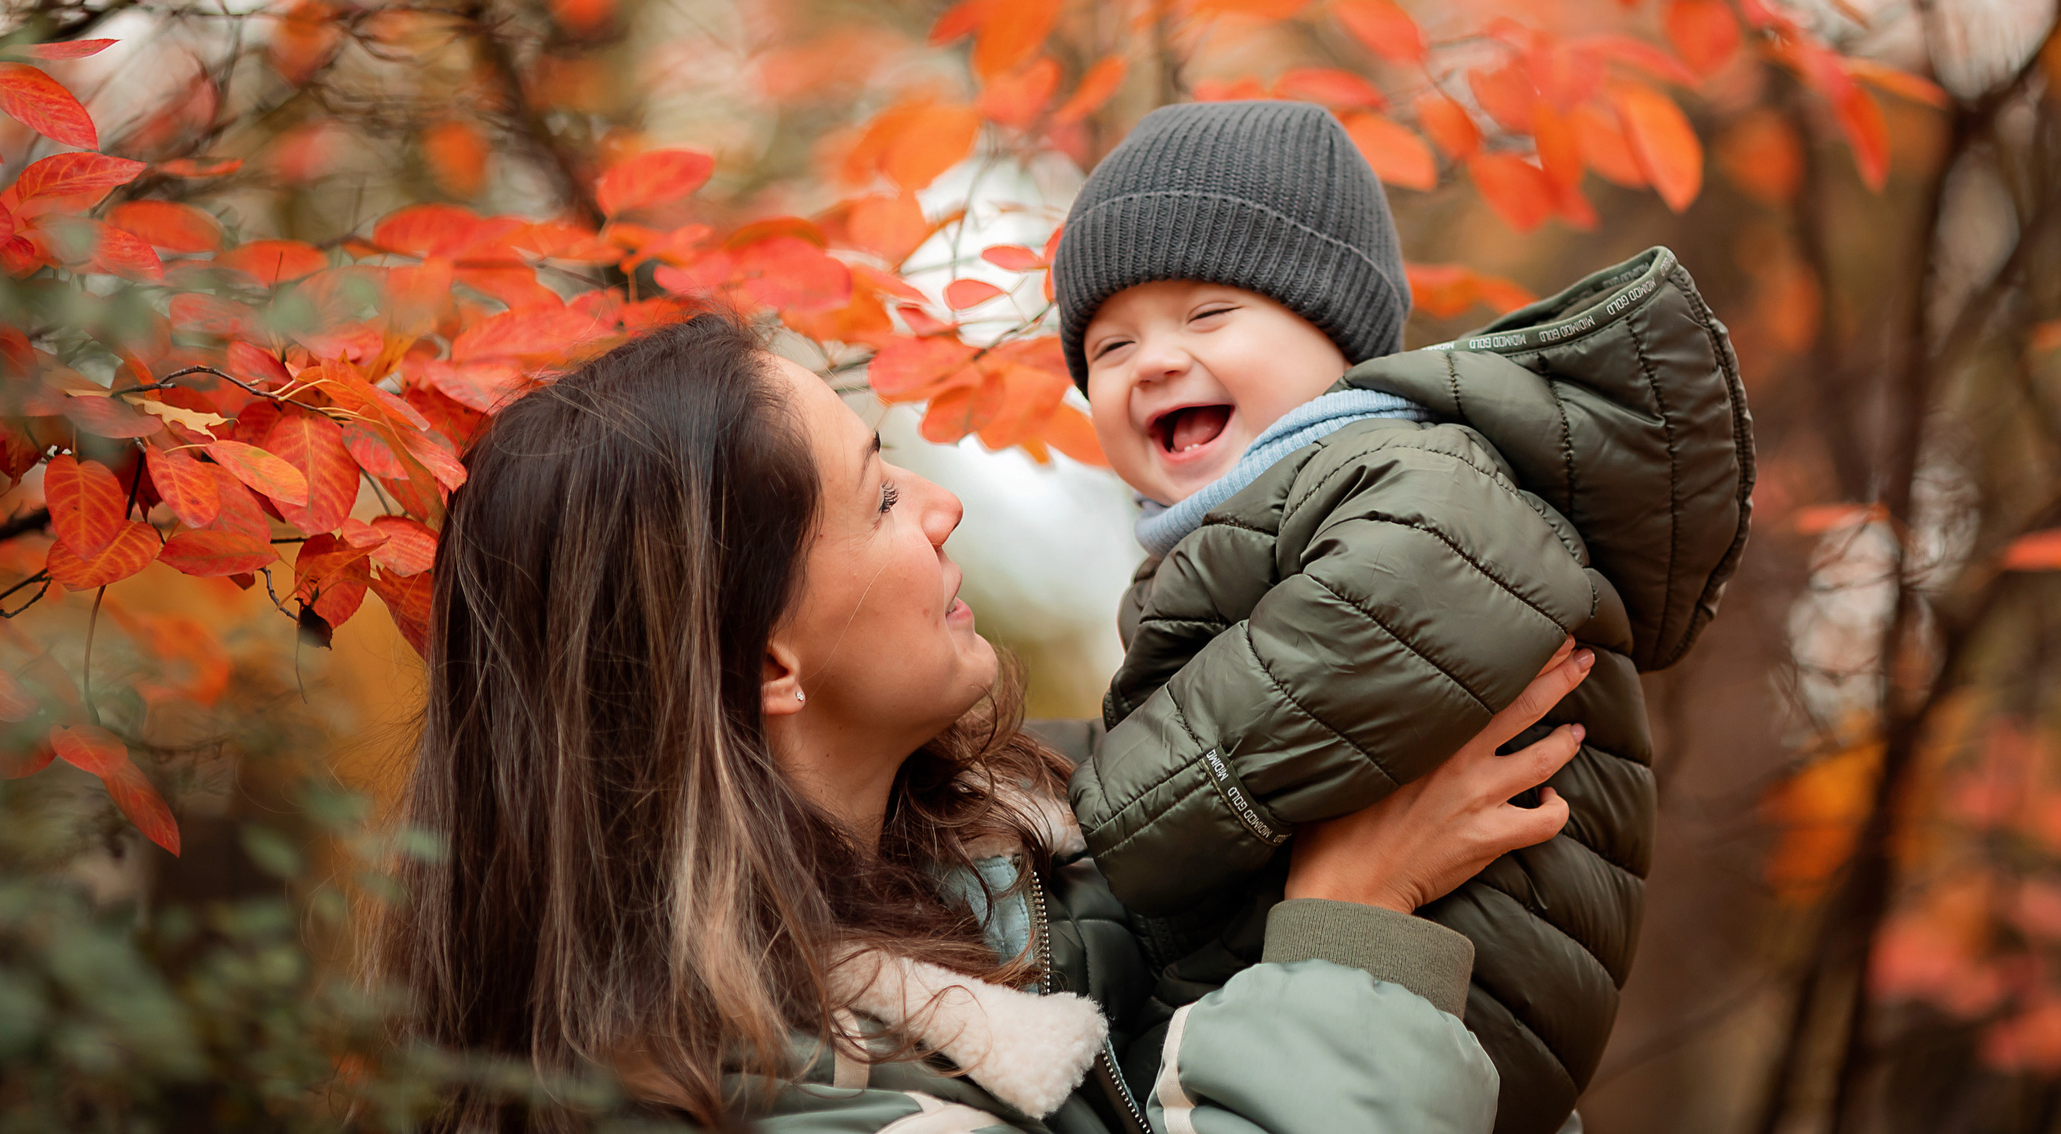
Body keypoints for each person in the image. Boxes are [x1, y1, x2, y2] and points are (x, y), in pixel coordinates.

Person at [375, 311, 1591, 1134]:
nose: (944, 506)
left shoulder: (1061, 828)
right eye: (881, 497)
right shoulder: (729, 1098)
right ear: (768, 664)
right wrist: (1352, 939)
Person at [1052, 100, 1755, 1134]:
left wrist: (1119, 817)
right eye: (1108, 348)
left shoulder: (1403, 462)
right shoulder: (1222, 539)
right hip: (1348, 1008)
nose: (1152, 361)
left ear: (1336, 335)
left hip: (1458, 975)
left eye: (1208, 317)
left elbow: (1394, 610)